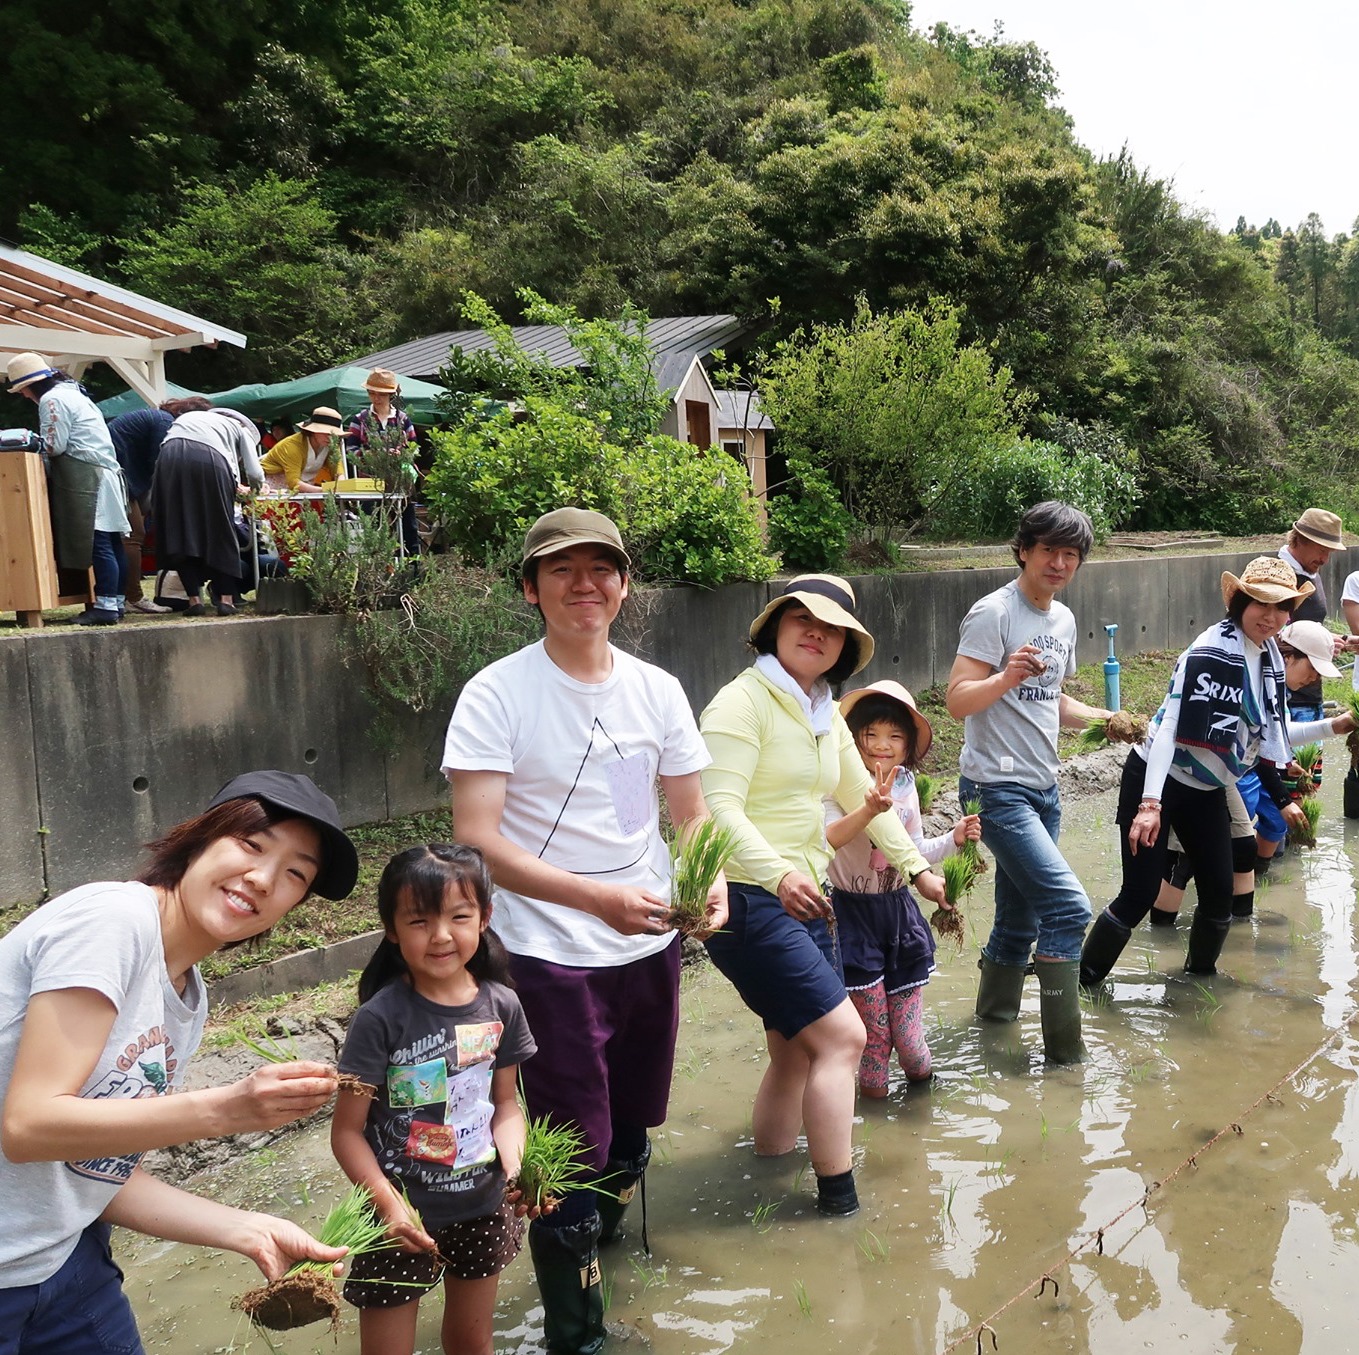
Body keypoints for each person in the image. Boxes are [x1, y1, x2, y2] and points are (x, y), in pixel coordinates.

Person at [443, 508, 726, 1355]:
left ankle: (594, 1255)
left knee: (632, 1124)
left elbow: (682, 812)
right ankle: (579, 1336)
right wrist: (593, 899)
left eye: (601, 568)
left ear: (624, 585)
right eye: (561, 569)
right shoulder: (497, 692)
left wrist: (709, 882)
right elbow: (476, 840)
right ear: (531, 588)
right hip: (548, 953)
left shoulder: (655, 689)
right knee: (570, 1144)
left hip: (649, 943)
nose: (584, 584)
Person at [0, 769, 361, 1353]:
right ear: (199, 838)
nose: (263, 878)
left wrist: (250, 1229)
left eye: (296, 873)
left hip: (63, 1260)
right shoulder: (113, 922)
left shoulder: (187, 997)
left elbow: (94, 1174)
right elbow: (27, 1127)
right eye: (251, 844)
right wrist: (229, 1109)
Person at [700, 578, 947, 1217]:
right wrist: (780, 875)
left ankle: (767, 1173)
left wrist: (917, 869)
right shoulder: (740, 704)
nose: (816, 633)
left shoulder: (821, 712)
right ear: (774, 627)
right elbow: (717, 809)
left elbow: (868, 798)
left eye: (833, 628)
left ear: (844, 647)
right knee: (843, 1039)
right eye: (803, 619)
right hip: (750, 898)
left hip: (807, 900)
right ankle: (840, 1206)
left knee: (793, 1051)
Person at [332, 844, 537, 1355]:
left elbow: (506, 1106)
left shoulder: (502, 1005)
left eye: (459, 917)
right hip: (397, 1216)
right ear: (391, 929)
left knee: (472, 1343)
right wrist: (389, 1208)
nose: (441, 935)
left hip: (483, 1204)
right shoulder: (378, 1019)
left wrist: (518, 1170)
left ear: (484, 918)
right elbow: (347, 1132)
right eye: (419, 921)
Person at [1079, 557, 1310, 989]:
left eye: (1281, 607)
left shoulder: (1269, 657)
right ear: (1240, 602)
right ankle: (1084, 985)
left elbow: (1266, 733)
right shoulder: (1210, 652)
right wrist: (1150, 805)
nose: (1270, 616)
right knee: (1140, 893)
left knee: (1220, 894)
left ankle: (1198, 984)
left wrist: (1335, 726)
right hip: (1157, 776)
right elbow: (1170, 728)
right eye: (1261, 604)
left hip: (1205, 787)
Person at [945, 500, 1112, 1064]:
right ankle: (1067, 1058)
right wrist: (1006, 675)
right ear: (1023, 551)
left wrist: (1109, 720)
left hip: (1045, 790)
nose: (1059, 563)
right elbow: (957, 700)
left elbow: (1053, 702)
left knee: (1019, 923)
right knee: (1068, 908)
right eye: (1048, 551)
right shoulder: (994, 613)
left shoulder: (1063, 620)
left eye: (1071, 554)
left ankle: (992, 1033)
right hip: (994, 789)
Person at [825, 680, 980, 1096]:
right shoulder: (836, 783)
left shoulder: (906, 784)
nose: (882, 745)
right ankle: (875, 1123)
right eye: (870, 734)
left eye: (894, 736)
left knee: (910, 1044)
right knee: (874, 1043)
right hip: (852, 919)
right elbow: (826, 839)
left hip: (899, 915)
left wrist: (953, 840)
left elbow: (913, 852)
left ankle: (925, 1113)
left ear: (908, 744)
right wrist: (867, 809)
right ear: (851, 737)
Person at [1148, 619, 1354, 926]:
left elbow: (1270, 741)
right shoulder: (1244, 674)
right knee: (1182, 858)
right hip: (1188, 771)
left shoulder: (1273, 684)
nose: (1313, 679)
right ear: (1288, 657)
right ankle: (1163, 931)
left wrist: (1332, 727)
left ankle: (1239, 926)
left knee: (1243, 847)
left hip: (1221, 775)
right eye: (1311, 668)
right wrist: (1283, 800)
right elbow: (1255, 748)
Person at [7, 352, 131, 627]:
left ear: (31, 385)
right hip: (105, 472)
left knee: (96, 542)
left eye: (23, 389)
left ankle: (106, 607)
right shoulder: (75, 394)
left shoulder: (52, 400)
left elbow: (54, 445)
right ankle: (116, 602)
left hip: (87, 477)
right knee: (112, 542)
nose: (24, 395)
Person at [151, 406, 264, 616]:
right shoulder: (240, 429)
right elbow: (255, 473)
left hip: (168, 457)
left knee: (179, 528)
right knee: (220, 529)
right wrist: (255, 492)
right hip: (210, 459)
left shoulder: (191, 418)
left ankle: (194, 601)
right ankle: (226, 600)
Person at [108, 403, 178, 614]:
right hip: (117, 476)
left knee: (125, 538)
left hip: (117, 475)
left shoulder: (154, 417)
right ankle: (134, 597)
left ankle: (121, 596)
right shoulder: (165, 421)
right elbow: (158, 462)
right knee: (133, 536)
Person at [346, 370, 420, 555]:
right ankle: (376, 565)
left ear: (390, 394)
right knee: (373, 524)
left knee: (408, 525)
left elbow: (414, 448)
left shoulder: (403, 419)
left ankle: (414, 566)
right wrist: (373, 454)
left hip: (400, 480)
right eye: (372, 393)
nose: (376, 398)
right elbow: (350, 450)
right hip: (369, 481)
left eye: (381, 394)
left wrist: (401, 454)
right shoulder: (360, 419)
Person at [261, 407, 346, 494]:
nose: (330, 437)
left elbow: (339, 472)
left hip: (304, 489)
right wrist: (324, 490)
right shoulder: (293, 445)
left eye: (333, 434)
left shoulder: (331, 445)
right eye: (326, 433)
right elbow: (293, 482)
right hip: (272, 488)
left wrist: (340, 486)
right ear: (313, 430)